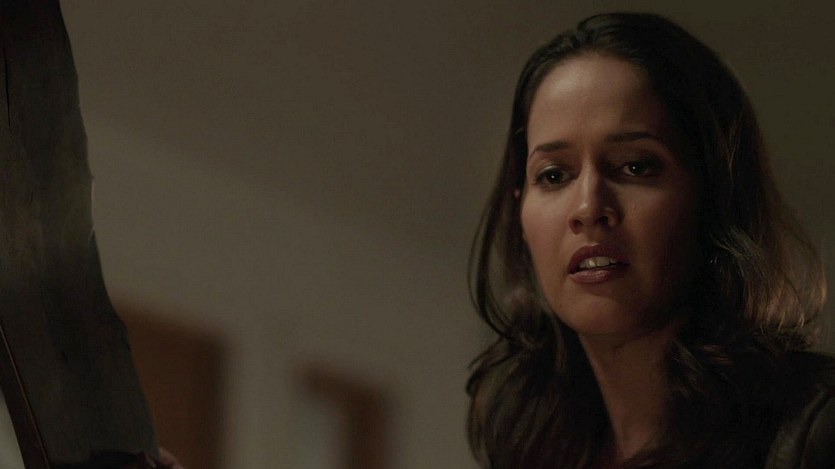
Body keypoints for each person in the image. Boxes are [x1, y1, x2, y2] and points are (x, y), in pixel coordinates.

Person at [466, 12, 835, 469]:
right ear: (520, 211)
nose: (588, 207)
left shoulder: (813, 429)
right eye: (554, 175)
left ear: (714, 195)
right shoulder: (525, 438)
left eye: (636, 166)